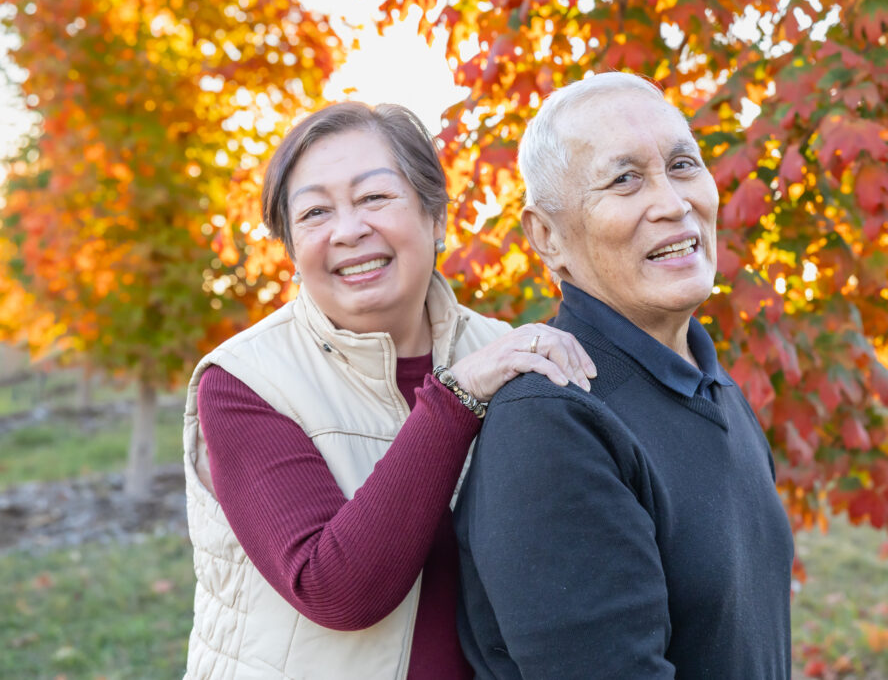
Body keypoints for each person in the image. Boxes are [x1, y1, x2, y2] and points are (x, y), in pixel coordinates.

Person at [181, 101, 596, 679]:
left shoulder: (505, 350)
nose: (348, 230)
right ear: (293, 251)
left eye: (374, 198)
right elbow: (335, 591)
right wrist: (457, 398)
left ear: (436, 218)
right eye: (315, 213)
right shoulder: (244, 382)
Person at [455, 72, 794, 679]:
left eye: (683, 164)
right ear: (548, 236)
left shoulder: (712, 386)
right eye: (624, 179)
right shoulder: (553, 419)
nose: (672, 202)